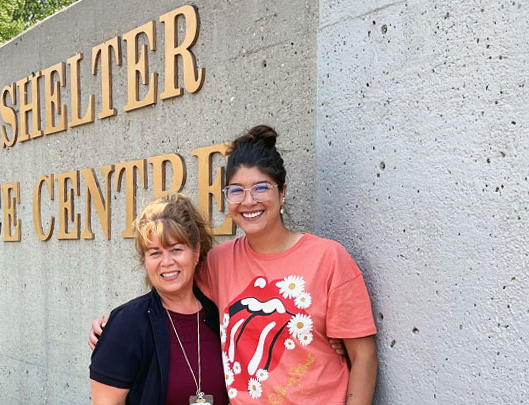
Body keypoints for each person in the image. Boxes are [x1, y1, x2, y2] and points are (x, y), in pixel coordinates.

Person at [92, 125, 378, 404]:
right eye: (236, 190)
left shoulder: (329, 259)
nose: (248, 201)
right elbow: (173, 284)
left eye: (260, 187)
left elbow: (363, 357)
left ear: (282, 192)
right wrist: (113, 327)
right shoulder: (219, 262)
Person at [89, 193, 229, 404]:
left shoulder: (220, 314)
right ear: (145, 260)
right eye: (155, 253)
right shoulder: (126, 325)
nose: (166, 261)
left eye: (176, 249)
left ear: (196, 251)